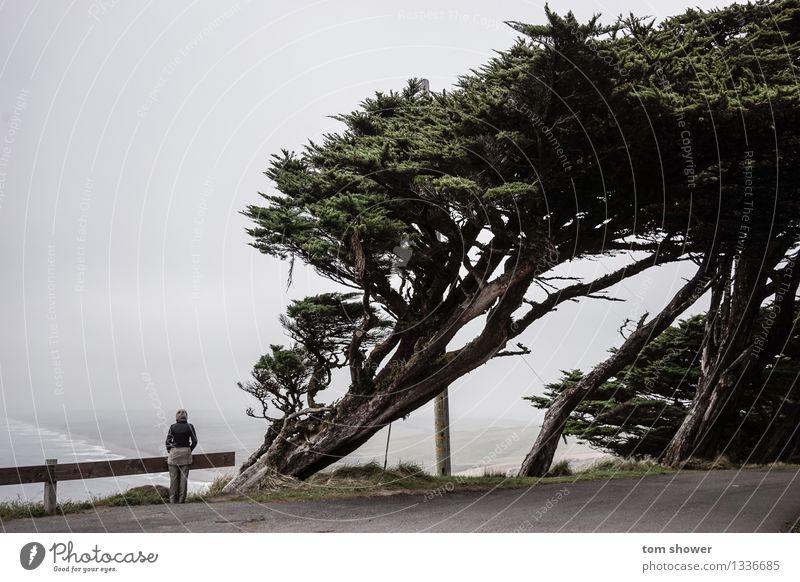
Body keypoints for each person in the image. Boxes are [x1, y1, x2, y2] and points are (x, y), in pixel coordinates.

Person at [165, 409, 198, 503]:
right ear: (186, 416)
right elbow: (195, 441)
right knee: (184, 478)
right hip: (186, 452)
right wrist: (189, 450)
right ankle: (181, 499)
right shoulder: (190, 426)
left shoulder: (172, 427)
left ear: (177, 417)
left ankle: (172, 499)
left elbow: (168, 442)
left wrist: (170, 450)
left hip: (174, 452)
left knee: (173, 477)